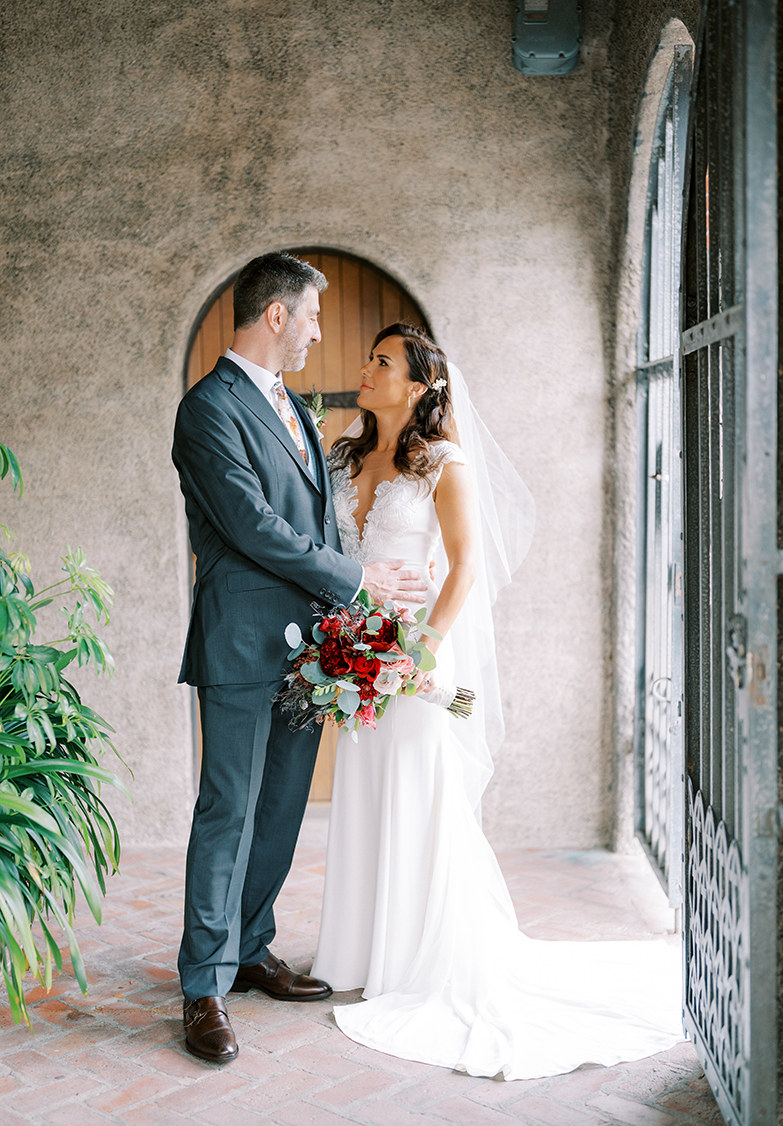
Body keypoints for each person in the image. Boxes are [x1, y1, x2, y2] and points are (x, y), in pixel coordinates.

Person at [313, 323, 683, 1080]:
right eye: (371, 359)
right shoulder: (347, 453)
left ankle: (418, 956)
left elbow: (467, 567)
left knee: (420, 792)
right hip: (355, 652)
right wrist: (344, 642)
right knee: (366, 788)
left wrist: (418, 653)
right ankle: (360, 949)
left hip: (413, 658)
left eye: (382, 363)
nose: (366, 369)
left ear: (418, 386)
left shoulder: (444, 465)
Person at [171, 254, 426, 1064]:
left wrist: (345, 615)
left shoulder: (288, 404)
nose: (319, 331)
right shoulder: (208, 408)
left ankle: (249, 949)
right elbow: (251, 526)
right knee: (229, 809)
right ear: (276, 315)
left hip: (313, 646)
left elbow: (311, 516)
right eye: (311, 316)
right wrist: (359, 579)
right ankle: (203, 985)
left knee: (281, 807)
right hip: (243, 640)